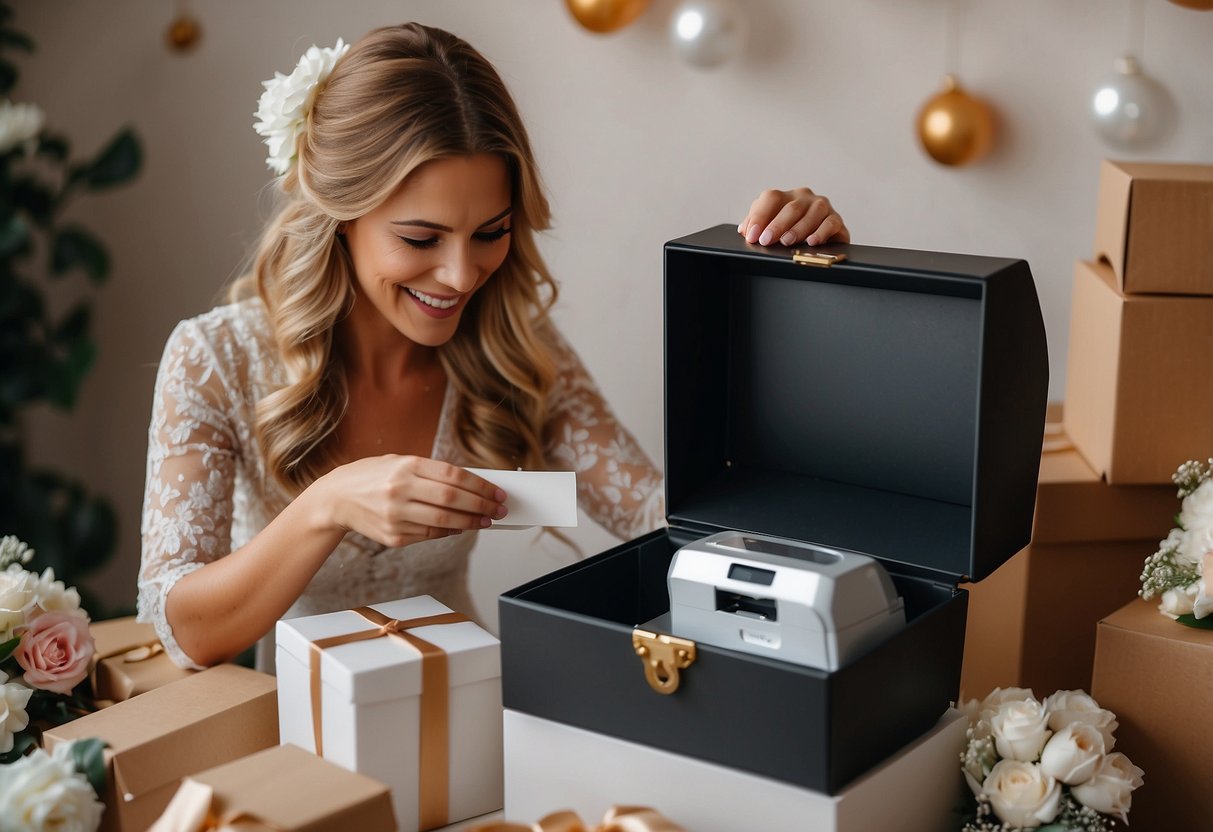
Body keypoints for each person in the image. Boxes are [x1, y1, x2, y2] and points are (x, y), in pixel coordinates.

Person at [136, 22, 849, 671]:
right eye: (420, 239)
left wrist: (796, 294)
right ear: (340, 217)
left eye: (490, 233)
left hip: (468, 724)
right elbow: (183, 632)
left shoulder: (513, 350)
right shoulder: (213, 361)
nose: (460, 276)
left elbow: (673, 523)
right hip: (291, 742)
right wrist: (324, 506)